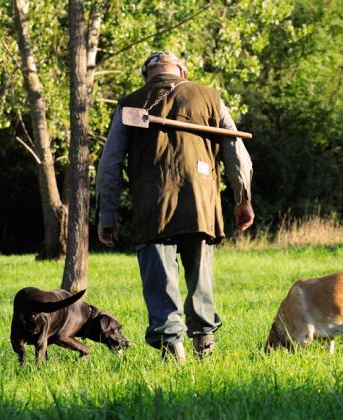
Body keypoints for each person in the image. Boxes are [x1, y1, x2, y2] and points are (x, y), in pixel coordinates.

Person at [96, 51, 254, 363]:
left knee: (159, 281)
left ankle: (173, 351)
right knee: (201, 278)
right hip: (201, 203)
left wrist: (107, 214)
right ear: (182, 71)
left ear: (147, 76)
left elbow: (109, 166)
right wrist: (243, 199)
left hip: (151, 207)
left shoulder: (131, 102)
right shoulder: (210, 97)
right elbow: (237, 154)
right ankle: (204, 346)